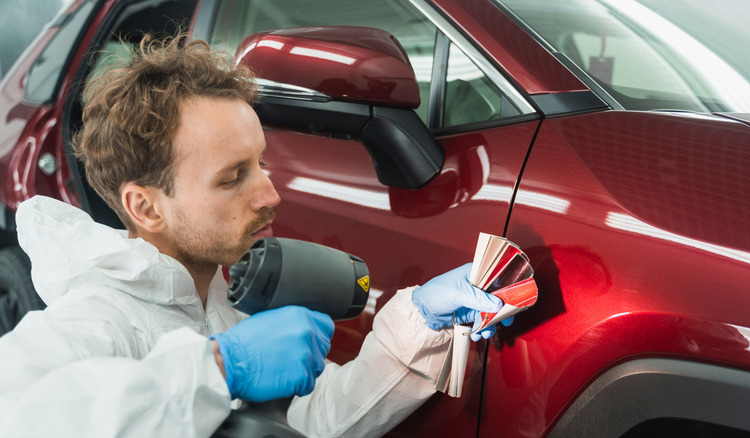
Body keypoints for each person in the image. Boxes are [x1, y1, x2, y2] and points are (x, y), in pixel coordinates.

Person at [0, 34, 511, 437]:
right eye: (232, 176)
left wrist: (420, 326)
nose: (270, 195)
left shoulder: (222, 305)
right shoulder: (99, 321)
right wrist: (218, 369)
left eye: (261, 162)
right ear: (145, 207)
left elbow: (314, 422)